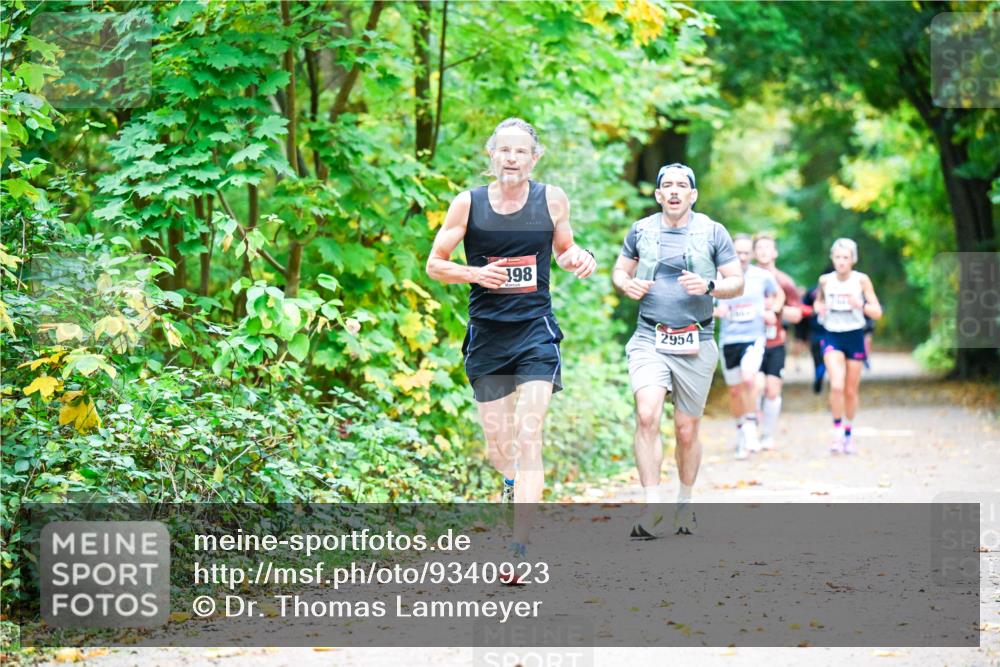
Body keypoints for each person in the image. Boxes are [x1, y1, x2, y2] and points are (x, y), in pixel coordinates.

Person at [425, 118, 596, 573]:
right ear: (492, 155)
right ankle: (508, 480)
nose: (512, 159)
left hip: (536, 330)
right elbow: (434, 264)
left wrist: (580, 258)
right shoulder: (468, 204)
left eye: (521, 151)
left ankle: (518, 548)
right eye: (504, 150)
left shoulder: (551, 199)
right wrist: (475, 274)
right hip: (487, 333)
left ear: (534, 157)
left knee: (528, 433)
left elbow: (564, 250)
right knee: (499, 444)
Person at [612, 163, 743, 538]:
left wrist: (710, 285)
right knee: (647, 413)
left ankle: (685, 504)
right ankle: (653, 508)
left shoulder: (713, 232)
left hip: (696, 339)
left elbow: (737, 281)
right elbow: (621, 271)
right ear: (657, 195)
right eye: (666, 185)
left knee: (686, 430)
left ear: (693, 194)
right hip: (650, 337)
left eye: (681, 186)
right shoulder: (641, 230)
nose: (673, 191)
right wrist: (626, 285)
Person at [714, 234, 781, 460]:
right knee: (734, 391)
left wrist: (772, 310)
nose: (742, 257)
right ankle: (742, 431)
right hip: (728, 340)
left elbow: (777, 294)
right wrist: (716, 311)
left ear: (751, 254)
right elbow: (704, 305)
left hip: (754, 337)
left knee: (749, 378)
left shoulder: (762, 276)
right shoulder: (719, 276)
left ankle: (751, 427)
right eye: (737, 253)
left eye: (745, 253)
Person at [813, 238, 883, 454]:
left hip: (854, 336)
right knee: (836, 385)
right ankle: (836, 432)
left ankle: (848, 434)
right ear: (832, 259)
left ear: (853, 259)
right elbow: (818, 302)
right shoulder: (825, 280)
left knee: (850, 391)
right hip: (832, 335)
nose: (841, 262)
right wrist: (820, 308)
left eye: (846, 257)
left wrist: (859, 304)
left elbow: (877, 312)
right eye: (838, 257)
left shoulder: (861, 280)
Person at [752, 233, 809, 450]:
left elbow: (797, 314)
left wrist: (775, 308)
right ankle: (751, 429)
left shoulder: (784, 281)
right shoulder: (746, 278)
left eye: (768, 247)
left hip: (775, 342)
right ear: (755, 252)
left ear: (775, 252)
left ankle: (766, 434)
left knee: (772, 391)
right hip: (751, 341)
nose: (764, 251)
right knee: (755, 386)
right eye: (760, 247)